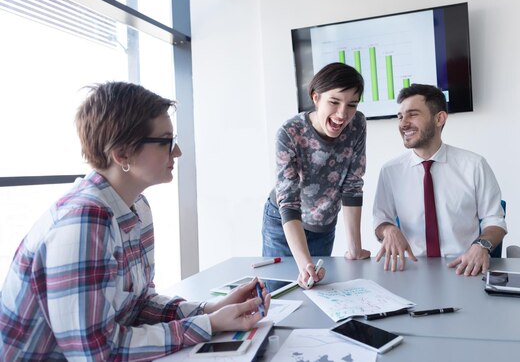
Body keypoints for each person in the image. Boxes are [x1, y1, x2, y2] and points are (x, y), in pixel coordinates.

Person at [0, 82, 271, 361]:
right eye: (166, 141)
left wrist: (210, 309)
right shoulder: (83, 221)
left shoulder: (136, 206)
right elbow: (99, 354)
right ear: (122, 155)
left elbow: (138, 307)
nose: (176, 152)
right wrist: (209, 325)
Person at [373, 83, 507, 276]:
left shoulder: (474, 165)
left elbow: (495, 220)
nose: (403, 124)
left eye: (412, 114)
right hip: (410, 270)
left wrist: (481, 246)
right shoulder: (390, 171)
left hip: (464, 268)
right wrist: (388, 230)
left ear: (439, 118)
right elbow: (380, 219)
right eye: (400, 116)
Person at [262, 62, 371, 289]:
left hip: (323, 224)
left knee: (316, 291)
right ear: (316, 97)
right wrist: (304, 264)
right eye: (334, 102)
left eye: (351, 104)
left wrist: (355, 249)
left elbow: (352, 186)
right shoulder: (290, 132)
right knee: (279, 293)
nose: (343, 114)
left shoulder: (357, 124)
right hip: (284, 222)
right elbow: (289, 201)